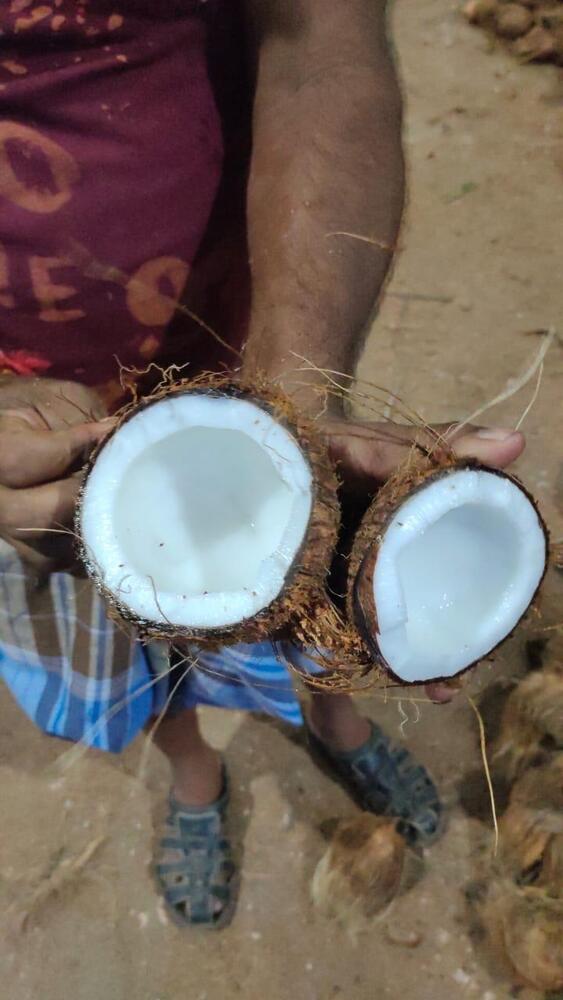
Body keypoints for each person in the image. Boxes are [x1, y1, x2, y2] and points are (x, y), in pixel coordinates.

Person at [0, 0, 524, 928]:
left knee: (314, 592)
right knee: (118, 624)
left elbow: (321, 46)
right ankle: (195, 773)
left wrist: (291, 386)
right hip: (23, 417)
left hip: (246, 331)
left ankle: (334, 722)